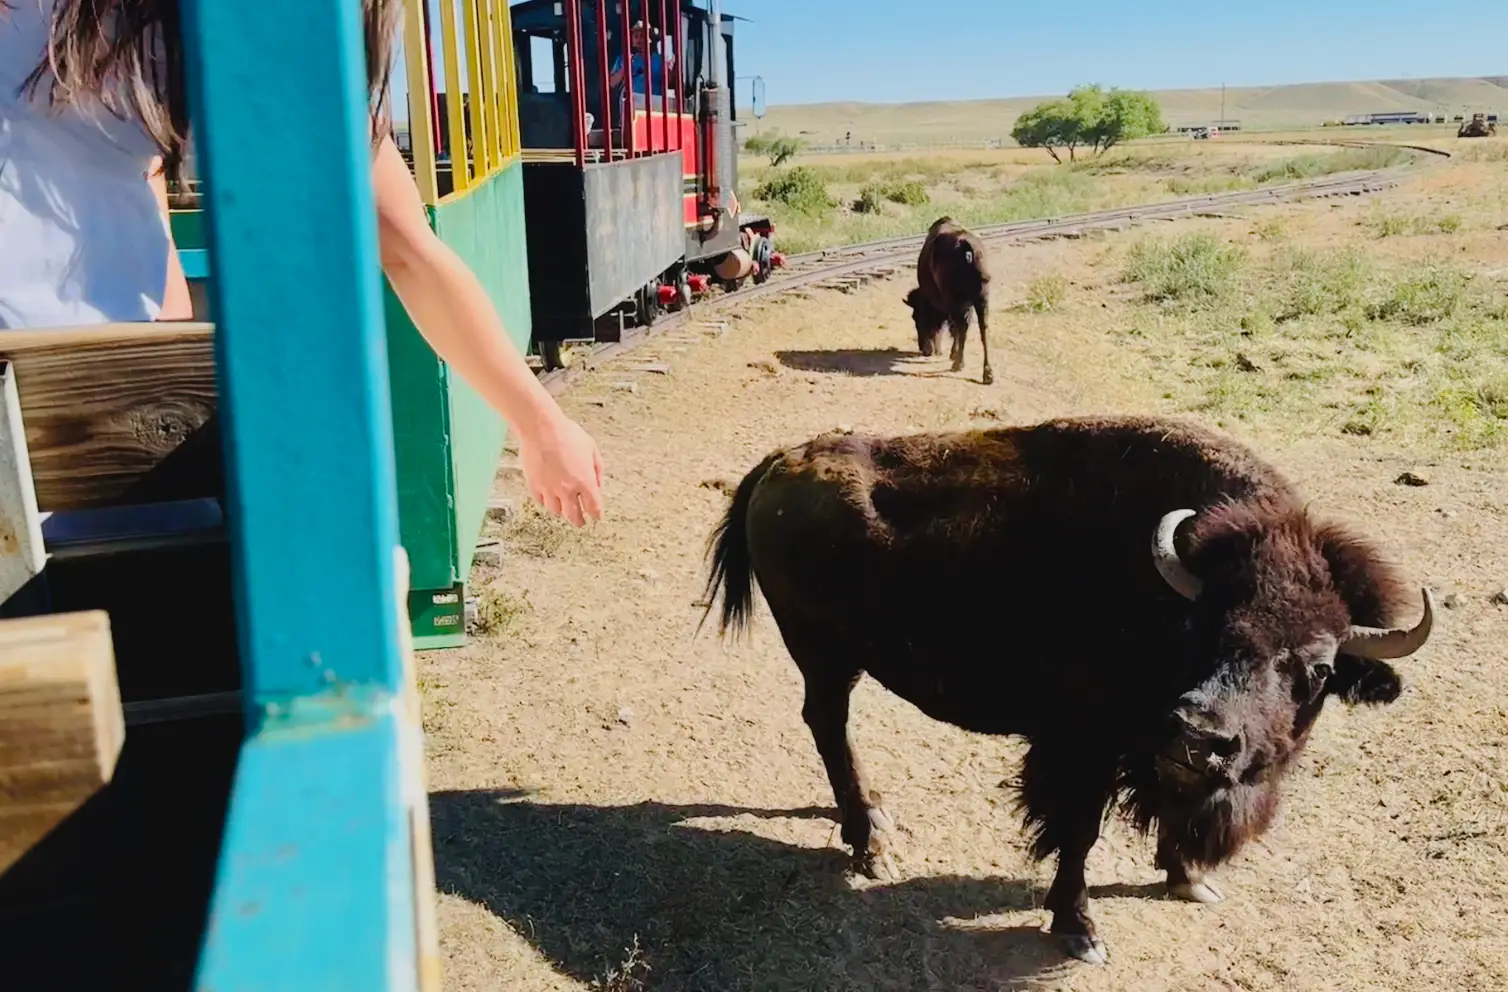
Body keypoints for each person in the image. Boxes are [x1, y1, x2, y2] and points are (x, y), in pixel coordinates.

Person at [0, 0, 604, 527]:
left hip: (74, 438)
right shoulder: (242, 25)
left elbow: (139, 179)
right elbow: (405, 247)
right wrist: (541, 424)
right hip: (72, 461)